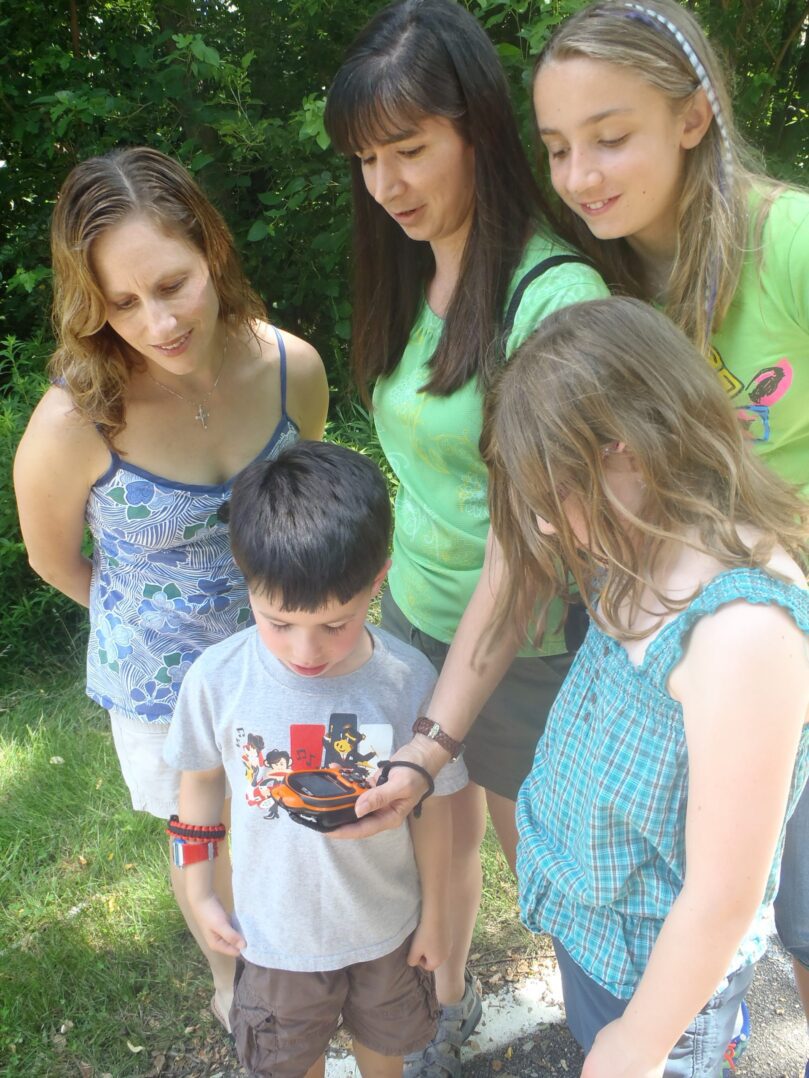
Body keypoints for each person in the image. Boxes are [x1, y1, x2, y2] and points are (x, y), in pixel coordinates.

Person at [324, 2, 609, 1070]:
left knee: (557, 879)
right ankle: (436, 1006)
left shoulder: (553, 300)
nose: (385, 184)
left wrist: (440, 731)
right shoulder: (408, 270)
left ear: (477, 130)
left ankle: (621, 1041)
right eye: (366, 159)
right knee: (423, 847)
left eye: (408, 149)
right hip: (413, 620)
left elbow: (524, 548)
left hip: (526, 647)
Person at [529, 0, 809, 1055]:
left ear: (693, 117)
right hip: (693, 621)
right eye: (557, 147)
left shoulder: (786, 239)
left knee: (791, 912)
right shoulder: (609, 275)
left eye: (609, 136)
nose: (580, 174)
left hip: (768, 627)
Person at [13, 147, 329, 1029]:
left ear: (212, 251)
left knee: (301, 817)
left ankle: (320, 954)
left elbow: (301, 508)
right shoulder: (73, 425)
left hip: (291, 657)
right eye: (121, 303)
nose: (157, 322)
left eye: (172, 284)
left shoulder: (292, 369)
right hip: (164, 690)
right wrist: (151, 627)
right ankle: (236, 988)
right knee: (206, 840)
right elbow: (53, 560)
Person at [482, 296, 809, 1077]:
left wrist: (638, 1042)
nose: (547, 527)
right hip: (600, 935)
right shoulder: (638, 544)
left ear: (630, 451)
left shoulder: (742, 630)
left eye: (552, 497)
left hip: (658, 979)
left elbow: (723, 894)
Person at [162, 441, 468, 1078]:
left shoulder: (409, 679)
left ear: (377, 581)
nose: (306, 651)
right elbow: (199, 788)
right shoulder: (216, 680)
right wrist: (199, 888)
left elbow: (432, 811)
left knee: (386, 1052)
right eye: (279, 622)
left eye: (336, 624)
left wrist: (437, 916)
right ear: (247, 580)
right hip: (274, 940)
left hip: (388, 930)